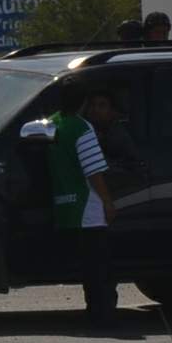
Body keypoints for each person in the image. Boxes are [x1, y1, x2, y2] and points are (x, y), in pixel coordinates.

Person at [24, 78, 122, 326]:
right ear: (84, 103)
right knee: (100, 269)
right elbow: (94, 172)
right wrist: (108, 202)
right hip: (88, 210)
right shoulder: (82, 129)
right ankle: (102, 315)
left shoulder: (52, 124)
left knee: (86, 268)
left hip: (65, 207)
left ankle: (95, 313)